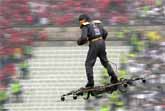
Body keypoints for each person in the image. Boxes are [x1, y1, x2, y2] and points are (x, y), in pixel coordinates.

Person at [77, 14, 118, 88]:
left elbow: (83, 38)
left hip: (94, 44)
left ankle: (90, 83)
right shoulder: (97, 23)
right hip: (102, 42)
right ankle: (114, 77)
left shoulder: (85, 25)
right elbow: (105, 33)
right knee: (105, 62)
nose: (80, 23)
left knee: (88, 64)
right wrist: (101, 40)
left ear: (84, 20)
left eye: (80, 21)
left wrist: (79, 42)